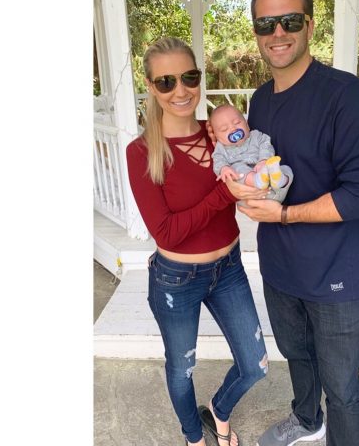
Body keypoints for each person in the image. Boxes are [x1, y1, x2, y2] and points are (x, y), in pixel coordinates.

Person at [209, 0, 359, 446]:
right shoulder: (260, 101)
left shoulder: (345, 96)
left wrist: (286, 214)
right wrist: (238, 186)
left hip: (336, 275)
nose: (277, 33)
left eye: (289, 21)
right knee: (297, 355)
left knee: (343, 386)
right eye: (265, 24)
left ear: (309, 25)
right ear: (255, 32)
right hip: (281, 268)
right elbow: (252, 164)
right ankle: (307, 419)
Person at [126, 37, 269, 446]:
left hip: (229, 268)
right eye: (166, 81)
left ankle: (218, 409)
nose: (180, 90)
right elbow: (166, 232)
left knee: (255, 364)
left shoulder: (218, 134)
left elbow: (254, 168)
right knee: (181, 368)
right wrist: (225, 193)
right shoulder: (142, 152)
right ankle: (194, 437)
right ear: (151, 86)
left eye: (189, 77)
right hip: (176, 279)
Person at [210, 104, 293, 202]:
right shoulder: (221, 148)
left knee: (286, 168)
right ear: (217, 136)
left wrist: (263, 160)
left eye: (237, 123)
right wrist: (223, 168)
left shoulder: (256, 136)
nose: (233, 129)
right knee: (236, 169)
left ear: (247, 124)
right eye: (224, 129)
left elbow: (266, 145)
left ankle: (280, 180)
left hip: (276, 192)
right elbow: (218, 159)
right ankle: (257, 180)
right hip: (251, 194)